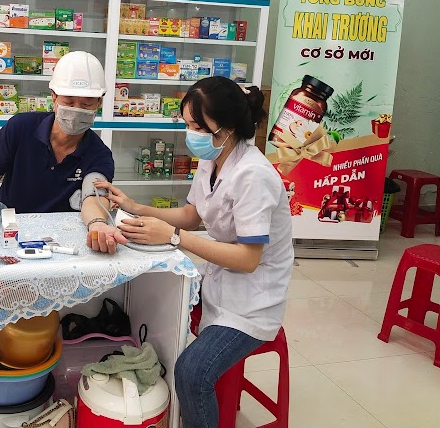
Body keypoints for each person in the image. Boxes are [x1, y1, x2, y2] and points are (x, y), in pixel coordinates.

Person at [92, 77, 294, 428]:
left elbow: (248, 259)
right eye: (187, 125)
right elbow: (191, 215)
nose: (190, 134)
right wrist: (137, 206)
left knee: (191, 372)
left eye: (197, 127)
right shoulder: (212, 159)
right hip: (220, 285)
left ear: (227, 128)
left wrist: (173, 238)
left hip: (253, 303)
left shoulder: (253, 175)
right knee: (155, 315)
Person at [0, 51, 126, 253]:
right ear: (53, 96)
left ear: (99, 102)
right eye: (69, 102)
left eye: (86, 103)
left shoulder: (99, 154)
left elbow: (93, 198)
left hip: (58, 242)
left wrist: (97, 223)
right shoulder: (20, 128)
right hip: (8, 234)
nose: (76, 110)